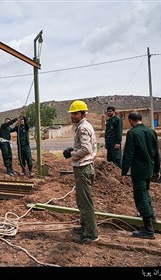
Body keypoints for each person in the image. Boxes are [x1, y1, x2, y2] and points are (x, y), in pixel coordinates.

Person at [63, 100, 98, 244]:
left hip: (83, 167)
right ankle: (84, 226)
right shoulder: (84, 126)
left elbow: (86, 149)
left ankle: (91, 233)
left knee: (85, 202)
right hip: (85, 166)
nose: (72, 116)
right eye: (72, 113)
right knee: (82, 200)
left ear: (83, 114)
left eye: (75, 113)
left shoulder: (83, 128)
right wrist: (73, 150)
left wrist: (71, 154)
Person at [121, 111, 160, 240]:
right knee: (145, 192)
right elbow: (156, 153)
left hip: (138, 171)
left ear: (131, 120)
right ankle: (152, 215)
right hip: (149, 169)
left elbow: (128, 154)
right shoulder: (151, 132)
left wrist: (124, 172)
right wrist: (157, 169)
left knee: (140, 197)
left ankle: (148, 230)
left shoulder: (132, 133)